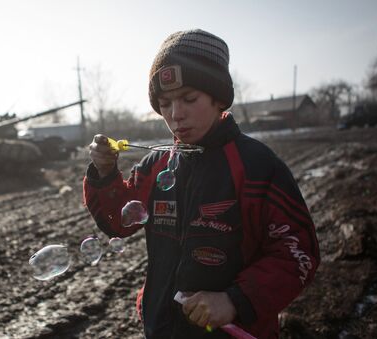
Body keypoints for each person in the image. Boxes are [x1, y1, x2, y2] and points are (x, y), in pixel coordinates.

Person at [83, 29, 320, 339]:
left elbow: (296, 253)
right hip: (162, 328)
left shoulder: (257, 167)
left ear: (218, 97)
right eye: (164, 104)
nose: (175, 114)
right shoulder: (157, 165)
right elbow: (118, 223)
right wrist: (104, 174)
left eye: (189, 98)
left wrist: (234, 300)